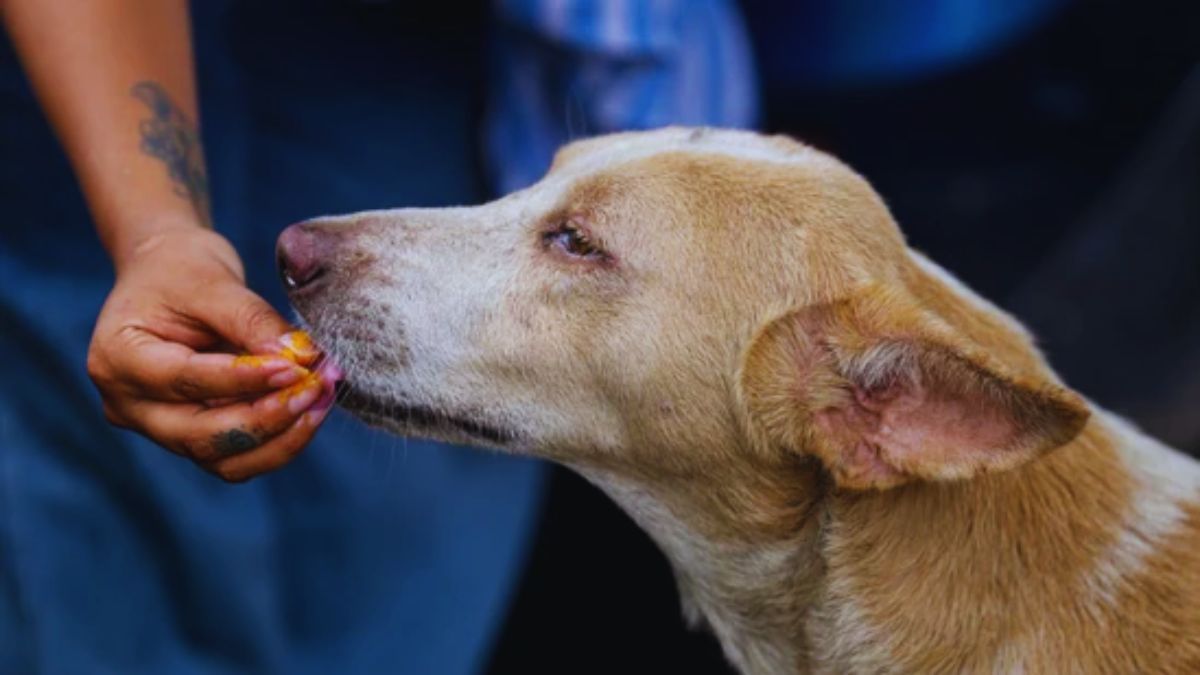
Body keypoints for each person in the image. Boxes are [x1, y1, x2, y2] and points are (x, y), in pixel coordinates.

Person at [0, 1, 756, 672]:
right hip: (77, 60)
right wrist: (155, 237)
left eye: (573, 240)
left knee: (402, 556)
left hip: (435, 40)